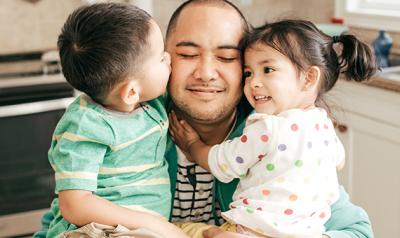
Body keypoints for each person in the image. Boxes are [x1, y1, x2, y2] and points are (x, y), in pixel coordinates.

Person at [164, 0, 374, 238]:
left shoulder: (274, 131)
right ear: (164, 58)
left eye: (226, 57)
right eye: (188, 54)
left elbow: (358, 232)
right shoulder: (133, 126)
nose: (206, 73)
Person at [34, 3, 189, 238]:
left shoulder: (150, 101)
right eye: (160, 58)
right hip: (96, 230)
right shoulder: (86, 125)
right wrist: (154, 225)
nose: (169, 58)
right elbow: (74, 204)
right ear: (130, 93)